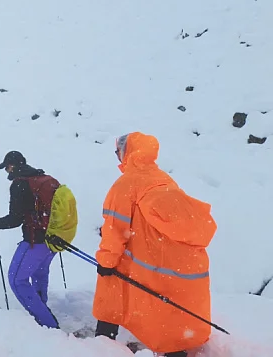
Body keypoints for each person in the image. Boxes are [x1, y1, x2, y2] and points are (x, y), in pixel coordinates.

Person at [93, 133, 217, 357]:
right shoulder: (164, 178)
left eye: (118, 153)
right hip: (171, 260)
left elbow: (114, 230)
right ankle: (175, 349)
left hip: (144, 258)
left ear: (126, 153)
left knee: (111, 289)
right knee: (165, 308)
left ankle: (103, 343)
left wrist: (106, 261)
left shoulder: (125, 185)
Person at [0, 151, 60, 329]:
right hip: (53, 240)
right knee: (39, 274)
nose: (7, 171)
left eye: (6, 167)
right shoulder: (42, 178)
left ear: (12, 166)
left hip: (35, 241)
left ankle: (47, 324)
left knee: (16, 279)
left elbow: (15, 219)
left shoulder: (20, 184)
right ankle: (42, 312)